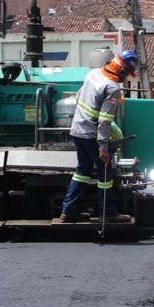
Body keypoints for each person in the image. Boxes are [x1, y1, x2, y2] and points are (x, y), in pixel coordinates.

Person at [59, 51, 139, 224]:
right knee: (105, 172)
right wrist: (103, 147)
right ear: (123, 71)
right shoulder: (112, 88)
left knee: (83, 170)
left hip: (77, 130)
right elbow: (104, 120)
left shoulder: (93, 73)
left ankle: (69, 210)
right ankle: (108, 213)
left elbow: (80, 97)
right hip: (91, 135)